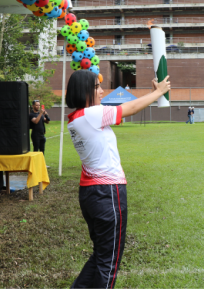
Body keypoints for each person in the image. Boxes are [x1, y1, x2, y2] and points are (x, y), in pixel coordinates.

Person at [66, 70, 171, 289]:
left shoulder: (78, 119)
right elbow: (129, 109)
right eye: (97, 87)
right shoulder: (92, 114)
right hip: (107, 193)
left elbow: (128, 108)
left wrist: (152, 95)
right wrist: (159, 92)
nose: (102, 91)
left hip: (93, 194)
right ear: (85, 90)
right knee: (108, 262)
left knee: (102, 255)